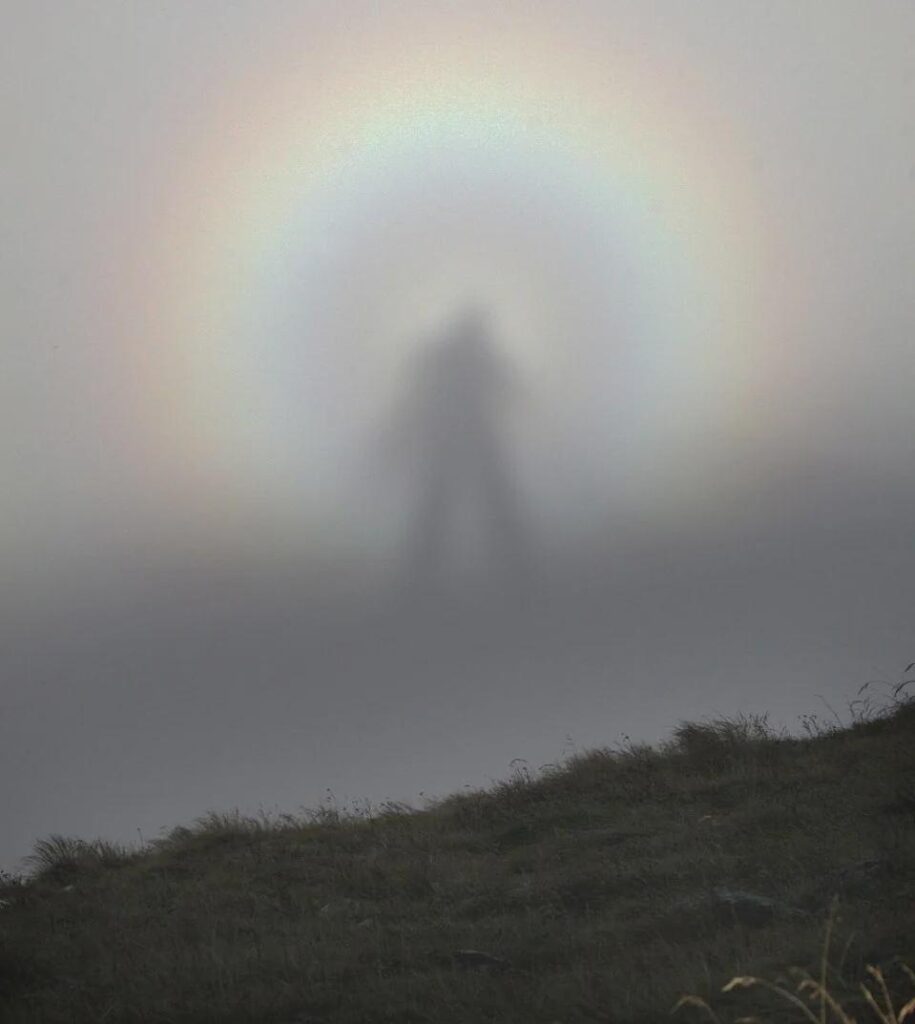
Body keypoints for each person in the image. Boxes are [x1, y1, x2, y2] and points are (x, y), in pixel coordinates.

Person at [383, 306, 529, 590]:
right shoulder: (468, 355)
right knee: (473, 503)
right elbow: (509, 385)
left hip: (456, 438)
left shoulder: (448, 354)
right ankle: (517, 572)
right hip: (466, 437)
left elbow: (418, 391)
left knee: (447, 504)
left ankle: (420, 576)